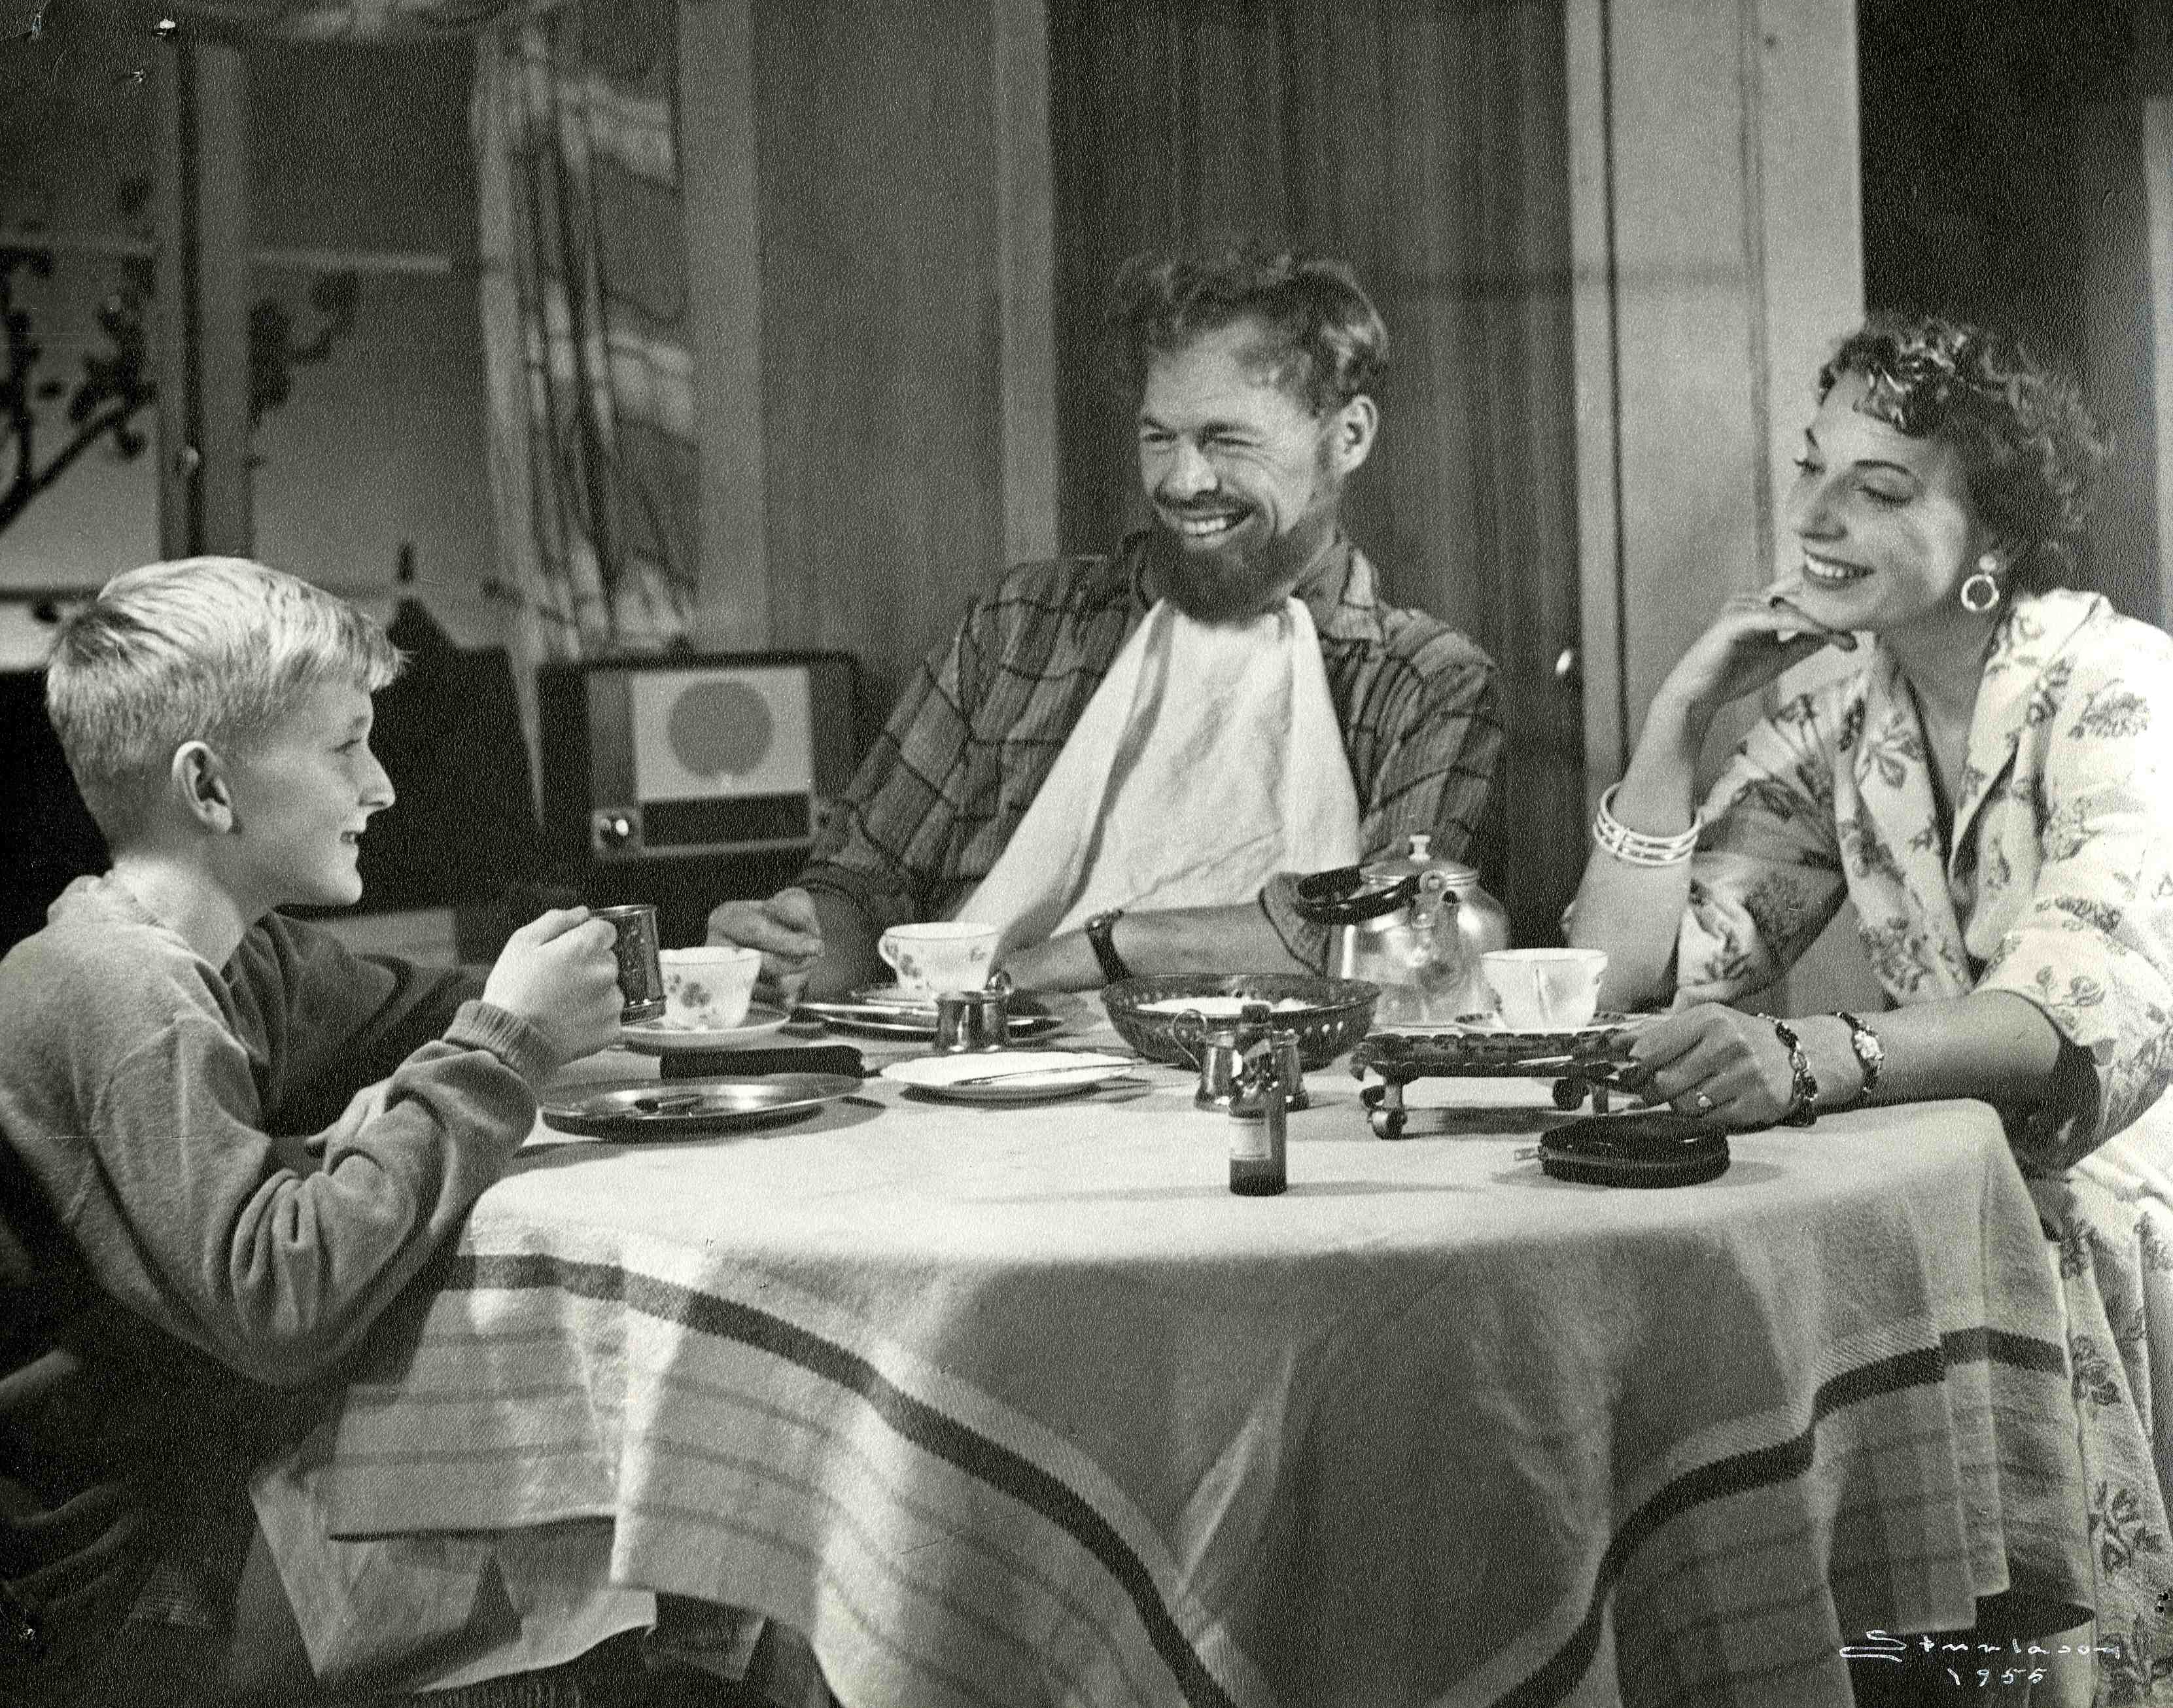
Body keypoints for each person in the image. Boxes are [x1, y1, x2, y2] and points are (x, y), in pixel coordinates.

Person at [1565, 313, 2173, 1698]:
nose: (1815, 517)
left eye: (1879, 487)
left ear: (1993, 532)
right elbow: (1621, 983)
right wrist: (1675, 721)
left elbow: (2078, 1011)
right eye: (1811, 468)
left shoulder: (2121, 687)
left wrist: (1806, 1055)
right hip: (1961, 1215)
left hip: (2135, 1219)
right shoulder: (1841, 720)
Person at [0, 558, 626, 1705]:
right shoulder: (118, 995)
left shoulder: (240, 959)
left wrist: (639, 986)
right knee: (638, 1546)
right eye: (346, 746)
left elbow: (440, 1013)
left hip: (200, 1511)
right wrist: (504, 1050)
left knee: (624, 1523)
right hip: (120, 1599)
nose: (381, 787)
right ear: (209, 786)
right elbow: (281, 1300)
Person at [708, 245, 1503, 998]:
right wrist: (797, 944)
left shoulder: (1424, 682)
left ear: (1349, 436)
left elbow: (1405, 937)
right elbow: (862, 883)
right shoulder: (1018, 627)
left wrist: (1099, 949)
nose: (1183, 481)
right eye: (1159, 438)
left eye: (1227, 440)